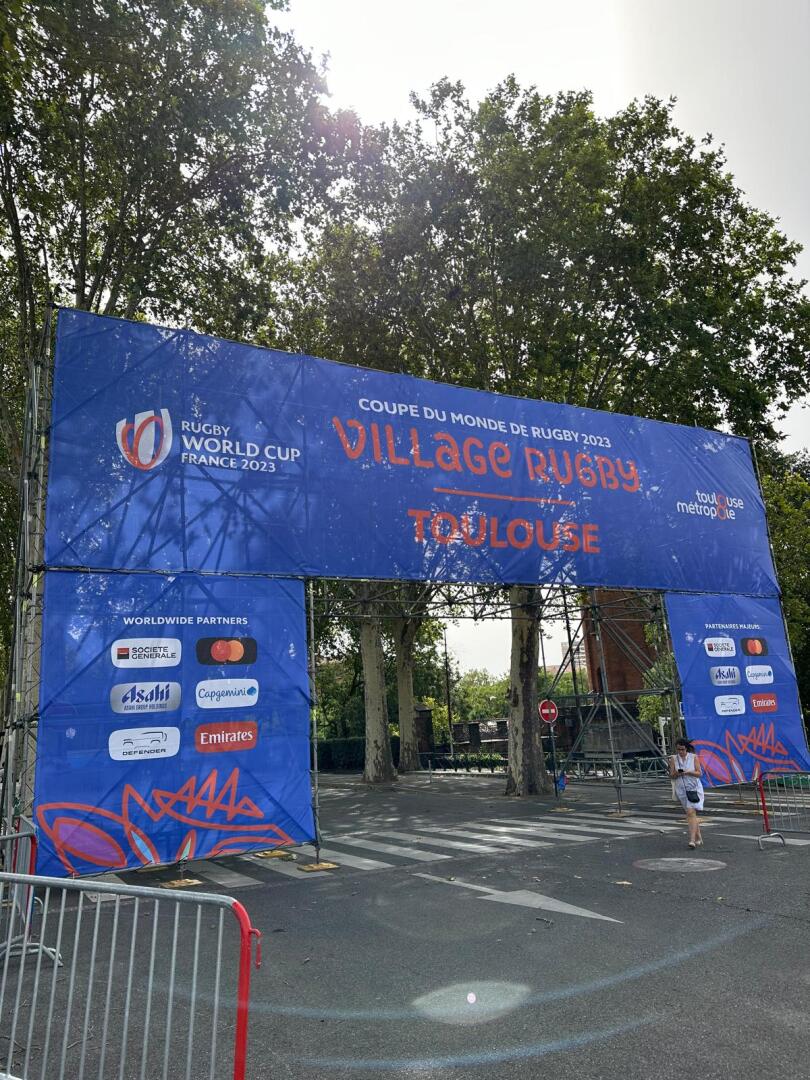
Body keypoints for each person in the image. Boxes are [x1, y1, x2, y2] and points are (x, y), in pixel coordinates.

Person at [669, 737, 704, 849]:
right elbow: (671, 775)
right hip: (681, 789)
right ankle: (699, 837)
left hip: (694, 788)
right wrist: (677, 773)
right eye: (678, 749)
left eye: (682, 749)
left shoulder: (693, 757)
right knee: (690, 814)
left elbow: (699, 773)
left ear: (686, 749)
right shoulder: (673, 759)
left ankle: (692, 840)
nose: (680, 752)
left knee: (690, 812)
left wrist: (688, 772)